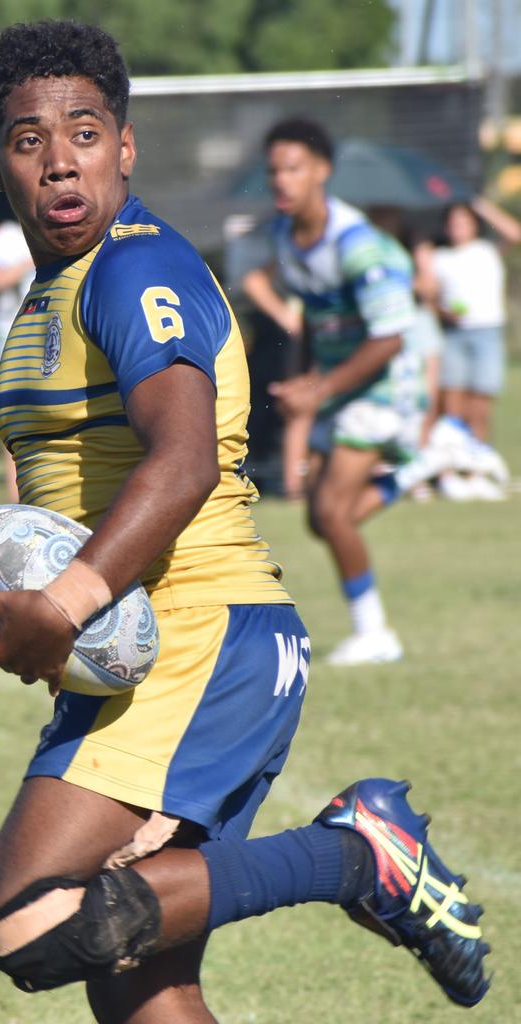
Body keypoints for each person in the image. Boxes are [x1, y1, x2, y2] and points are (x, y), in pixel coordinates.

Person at [0, 23, 489, 1023]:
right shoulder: (51, 295)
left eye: (86, 132)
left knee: (32, 919)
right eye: (29, 138)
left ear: (126, 147)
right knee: (142, 993)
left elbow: (180, 462)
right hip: (145, 646)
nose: (60, 159)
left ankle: (358, 854)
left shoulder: (136, 269)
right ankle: (357, 855)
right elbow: (71, 518)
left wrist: (63, 604)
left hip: (200, 637)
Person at [238, 119, 434, 667]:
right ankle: (410, 473)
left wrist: (320, 387)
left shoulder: (358, 244)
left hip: (384, 384)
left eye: (293, 168)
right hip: (343, 388)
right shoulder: (285, 238)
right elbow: (312, 322)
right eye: (274, 169)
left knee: (328, 509)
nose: (281, 180)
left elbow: (391, 338)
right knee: (320, 517)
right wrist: (304, 377)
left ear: (323, 171)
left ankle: (375, 634)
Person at [416, 198, 520, 500]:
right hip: (454, 334)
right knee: (452, 407)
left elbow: (515, 233)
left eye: (463, 221)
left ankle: (475, 473)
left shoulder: (487, 251)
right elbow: (430, 295)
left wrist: (483, 206)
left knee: (481, 408)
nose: (457, 227)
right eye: (452, 222)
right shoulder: (440, 257)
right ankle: (447, 473)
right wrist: (444, 312)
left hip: (486, 333)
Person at [0, 219, 35, 496]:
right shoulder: (4, 236)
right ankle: (17, 500)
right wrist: (29, 263)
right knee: (13, 423)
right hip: (11, 340)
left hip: (48, 337)